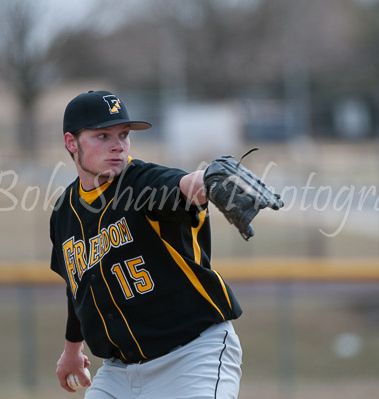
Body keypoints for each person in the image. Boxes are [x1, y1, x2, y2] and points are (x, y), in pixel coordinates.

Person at [49, 90, 243, 399]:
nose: (118, 145)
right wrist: (72, 350)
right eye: (102, 136)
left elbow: (180, 186)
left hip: (191, 357)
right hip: (117, 372)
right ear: (72, 143)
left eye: (123, 135)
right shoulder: (64, 213)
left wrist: (211, 179)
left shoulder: (140, 183)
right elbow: (79, 288)